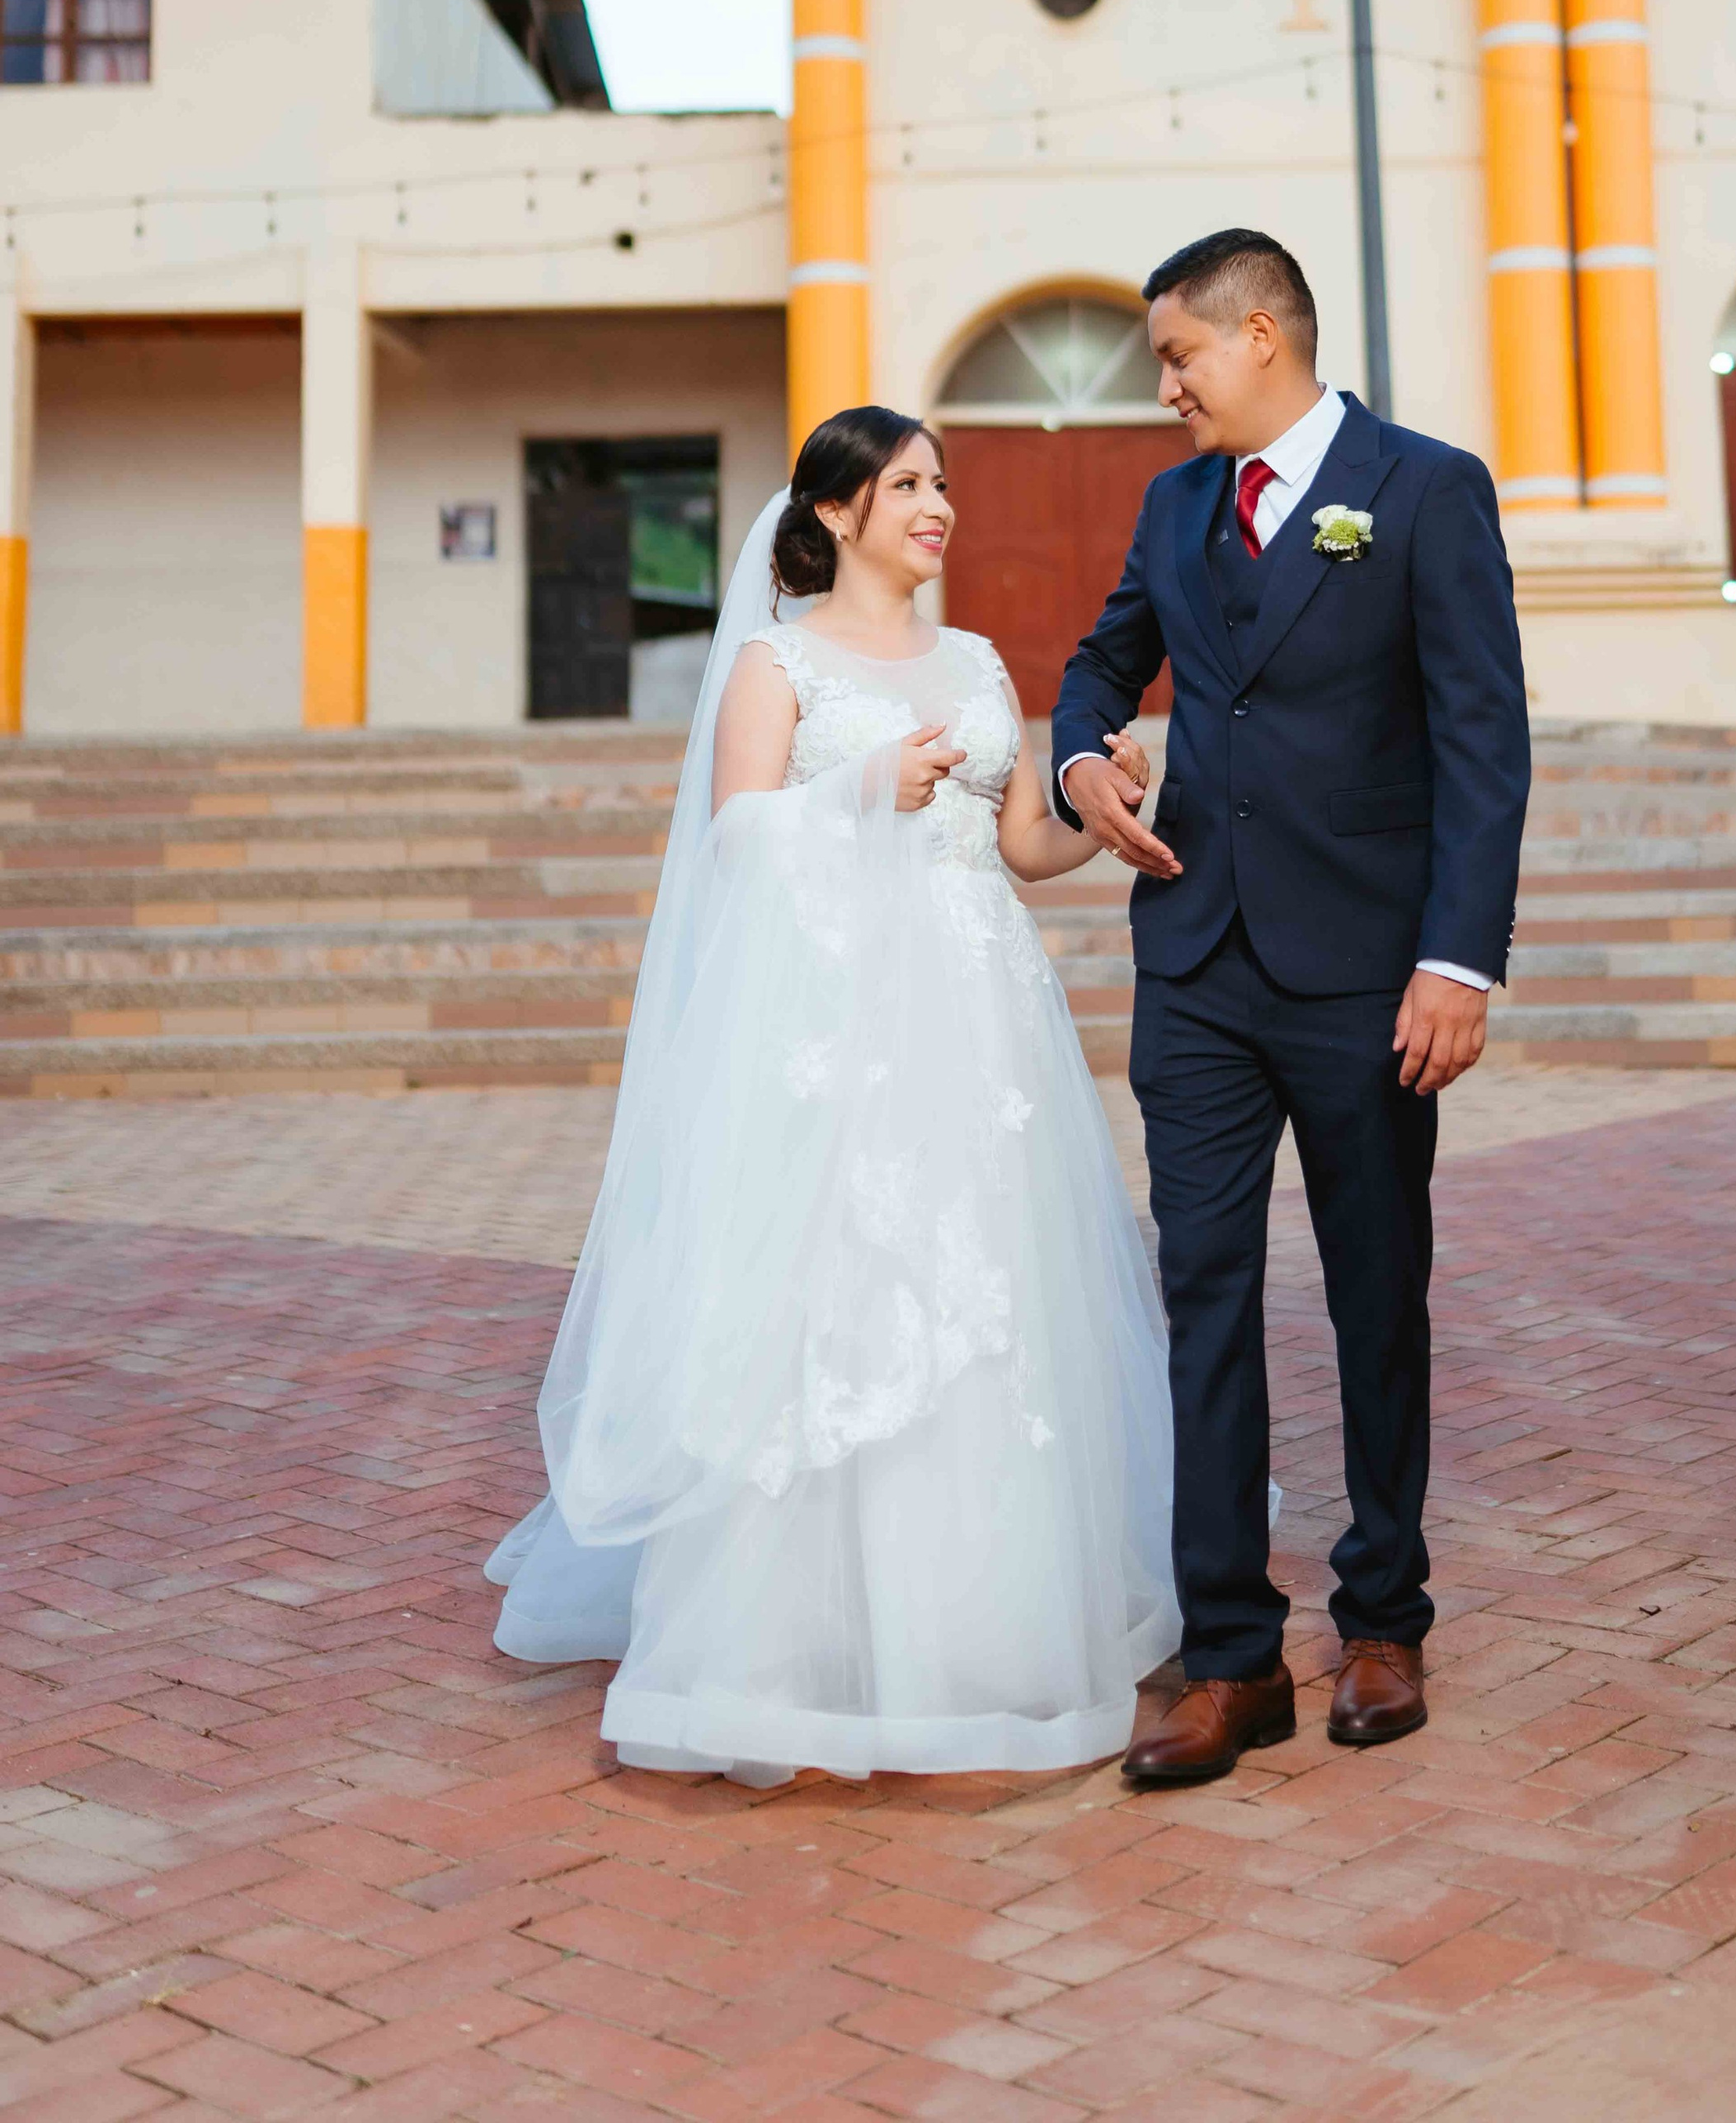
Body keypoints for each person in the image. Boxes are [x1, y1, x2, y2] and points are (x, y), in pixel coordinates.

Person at [487, 407, 1177, 1782]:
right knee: (844, 1299)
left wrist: (1100, 808)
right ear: (842, 510)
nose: (940, 507)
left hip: (985, 1031)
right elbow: (737, 835)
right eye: (911, 484)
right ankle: (799, 1643)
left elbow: (1017, 843)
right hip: (843, 1026)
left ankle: (979, 1626)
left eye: (944, 484)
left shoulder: (977, 660)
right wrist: (863, 783)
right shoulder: (776, 662)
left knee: (989, 1299)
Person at [1052, 230, 1530, 1785]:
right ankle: (1230, 1659)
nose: (1166, 390)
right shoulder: (1174, 503)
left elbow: (1483, 742)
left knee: (1377, 1293)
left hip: (1367, 974)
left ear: (1262, 336)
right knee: (1204, 1295)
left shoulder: (1423, 487)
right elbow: (1100, 661)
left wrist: (1457, 962)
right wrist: (1080, 757)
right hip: (1196, 966)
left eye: (1178, 359)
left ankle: (1383, 1616)